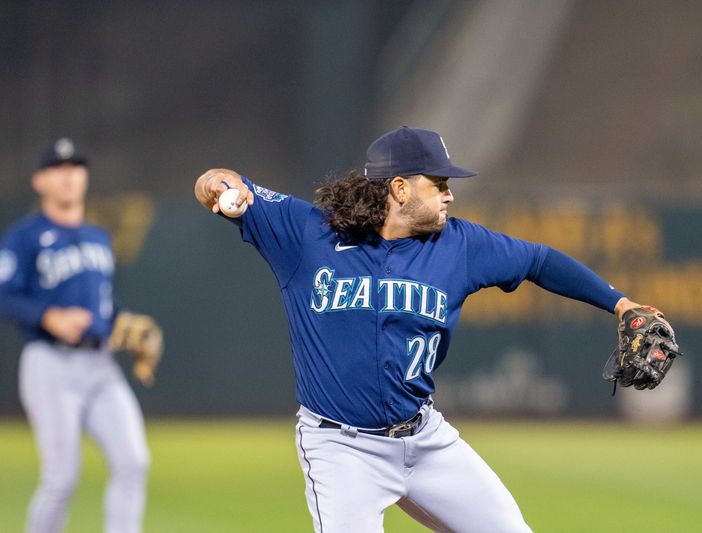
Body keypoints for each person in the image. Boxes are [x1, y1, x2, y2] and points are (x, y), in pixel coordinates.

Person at [194, 126, 645, 532]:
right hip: (340, 447)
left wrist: (621, 304)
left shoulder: (460, 245)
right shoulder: (306, 234)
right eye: (440, 184)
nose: (449, 195)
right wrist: (219, 184)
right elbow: (217, 180)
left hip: (425, 439)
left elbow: (540, 261)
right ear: (399, 187)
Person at [0, 138, 162, 533]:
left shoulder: (97, 237)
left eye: (75, 168)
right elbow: (4, 294)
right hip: (50, 364)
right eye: (58, 169)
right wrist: (47, 315)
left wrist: (128, 327)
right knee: (61, 479)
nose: (69, 176)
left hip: (100, 365)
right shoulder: (24, 236)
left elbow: (104, 305)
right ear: (40, 181)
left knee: (133, 462)